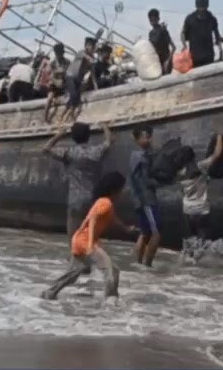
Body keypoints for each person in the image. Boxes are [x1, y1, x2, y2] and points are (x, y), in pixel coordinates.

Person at [40, 171, 139, 301]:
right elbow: (92, 219)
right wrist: (91, 243)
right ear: (114, 190)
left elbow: (113, 219)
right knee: (112, 270)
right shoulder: (106, 203)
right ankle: (111, 300)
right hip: (86, 242)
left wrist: (127, 229)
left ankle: (50, 292)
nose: (123, 192)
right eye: (122, 189)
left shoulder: (104, 203)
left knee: (74, 272)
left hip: (78, 240)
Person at [43, 120, 114, 238]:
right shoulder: (96, 151)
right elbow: (109, 142)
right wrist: (104, 127)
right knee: (89, 239)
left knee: (74, 239)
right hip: (93, 200)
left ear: (73, 137)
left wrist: (60, 134)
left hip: (75, 200)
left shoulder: (70, 153)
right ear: (88, 136)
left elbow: (46, 148)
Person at [178, 132, 223, 244]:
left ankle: (193, 258)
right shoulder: (200, 166)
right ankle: (201, 259)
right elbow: (217, 154)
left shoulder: (179, 173)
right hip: (201, 210)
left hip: (188, 211)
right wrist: (219, 136)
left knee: (193, 239)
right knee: (204, 241)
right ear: (193, 156)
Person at [129, 125, 162, 268]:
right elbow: (142, 180)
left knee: (145, 233)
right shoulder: (139, 156)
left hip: (143, 198)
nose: (148, 138)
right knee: (156, 233)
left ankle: (138, 264)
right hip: (145, 199)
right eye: (145, 136)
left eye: (149, 135)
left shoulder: (145, 154)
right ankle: (147, 266)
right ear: (138, 138)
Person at [182, 0, 223, 69]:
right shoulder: (190, 19)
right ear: (196, 5)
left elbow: (217, 35)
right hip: (194, 57)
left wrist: (220, 49)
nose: (202, 10)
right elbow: (183, 33)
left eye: (203, 7)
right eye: (200, 7)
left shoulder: (211, 19)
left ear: (207, 5)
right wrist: (184, 45)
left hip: (208, 57)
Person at [61, 37, 96, 121]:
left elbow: (92, 73)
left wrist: (95, 85)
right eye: (91, 46)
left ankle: (63, 114)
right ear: (86, 46)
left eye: (93, 47)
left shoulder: (91, 57)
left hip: (78, 80)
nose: (93, 48)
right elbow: (87, 57)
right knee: (74, 95)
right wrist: (91, 59)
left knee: (75, 98)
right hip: (70, 76)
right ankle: (71, 115)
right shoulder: (81, 52)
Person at [42, 43, 69, 122]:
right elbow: (49, 76)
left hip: (64, 83)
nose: (58, 55)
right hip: (55, 84)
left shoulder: (67, 62)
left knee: (69, 97)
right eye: (57, 53)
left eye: (60, 53)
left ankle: (64, 116)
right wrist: (55, 81)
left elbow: (68, 74)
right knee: (50, 98)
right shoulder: (53, 63)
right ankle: (45, 118)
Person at [147, 8, 175, 74]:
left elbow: (173, 47)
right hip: (156, 63)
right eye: (151, 20)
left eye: (154, 19)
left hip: (165, 63)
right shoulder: (151, 33)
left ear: (158, 19)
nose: (152, 21)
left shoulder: (163, 31)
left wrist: (168, 61)